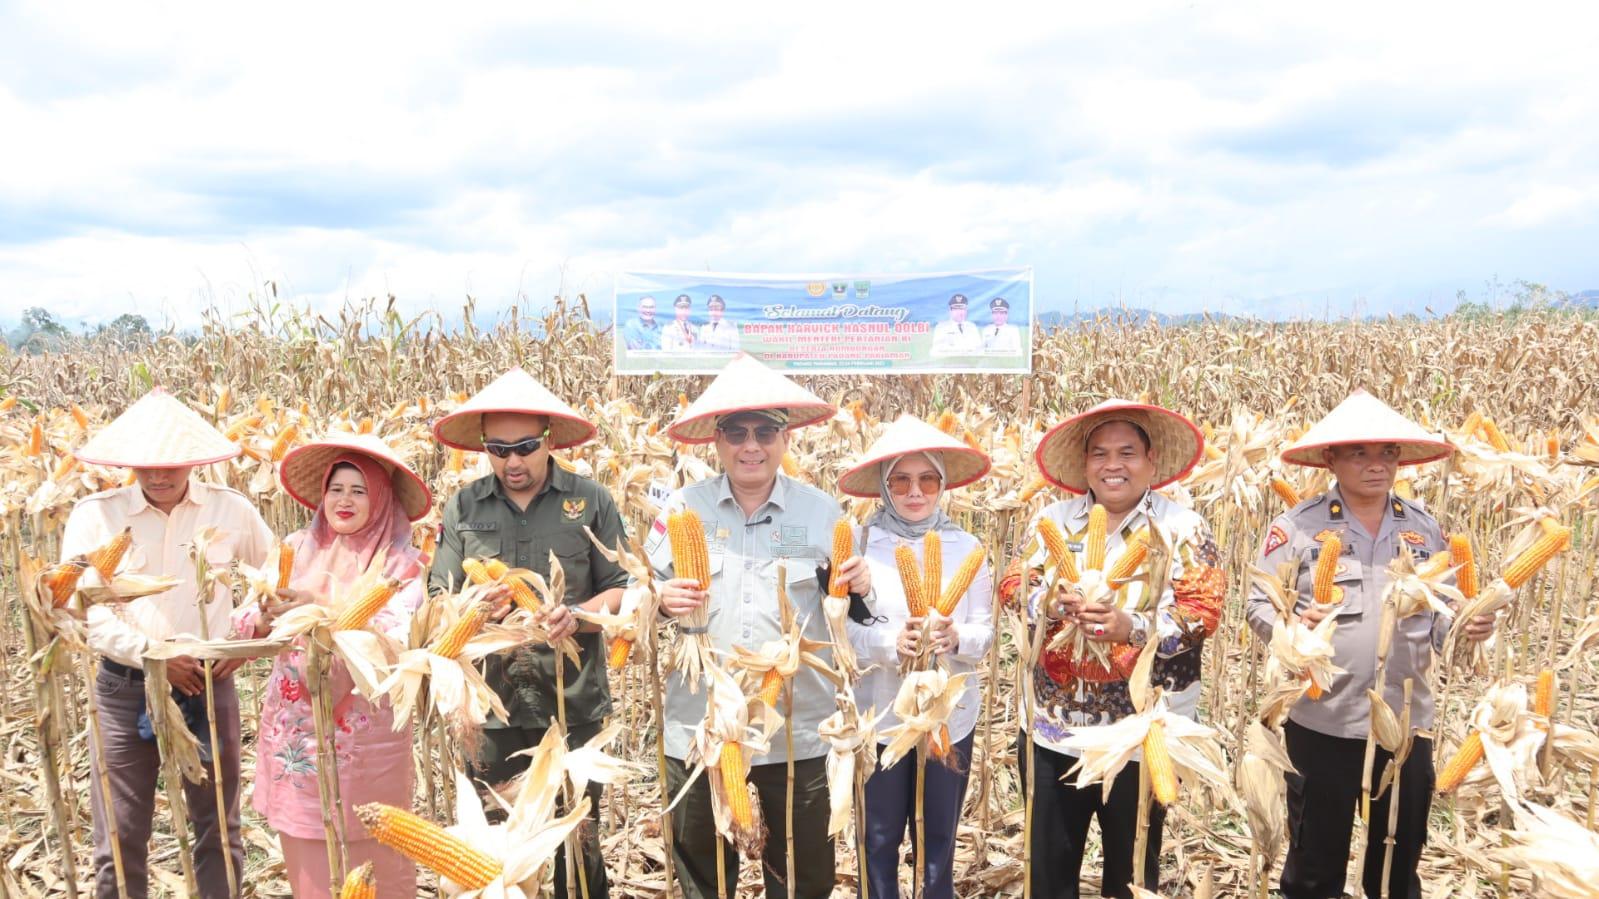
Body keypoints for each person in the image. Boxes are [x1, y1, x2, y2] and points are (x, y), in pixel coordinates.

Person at [1245, 389, 1497, 899]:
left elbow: (1440, 618)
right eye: (1359, 452)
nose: (1376, 464)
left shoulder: (1423, 529)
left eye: (1387, 452)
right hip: (1324, 720)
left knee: (1397, 866)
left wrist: (1467, 628)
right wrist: (1291, 626)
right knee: (1314, 867)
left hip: (1405, 723)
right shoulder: (1297, 527)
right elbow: (1257, 604)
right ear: (1330, 459)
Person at [646, 353, 872, 899]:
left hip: (795, 731)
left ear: (785, 438)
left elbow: (851, 613)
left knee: (802, 879)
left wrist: (862, 590)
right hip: (701, 726)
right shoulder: (681, 509)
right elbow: (639, 595)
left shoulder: (823, 514)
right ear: (717, 442)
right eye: (737, 433)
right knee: (703, 876)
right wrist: (658, 599)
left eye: (765, 432)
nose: (752, 446)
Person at [62, 389, 274, 899]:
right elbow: (81, 608)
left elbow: (272, 580)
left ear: (193, 459)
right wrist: (154, 657)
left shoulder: (230, 509)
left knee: (218, 829)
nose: (158, 475)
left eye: (170, 464)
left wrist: (243, 640)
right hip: (125, 689)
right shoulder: (96, 515)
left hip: (206, 684)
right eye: (146, 465)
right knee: (119, 836)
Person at [430, 367, 630, 898]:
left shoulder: (590, 500)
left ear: (548, 440)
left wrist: (579, 615)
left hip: (571, 703)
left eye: (524, 447)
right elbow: (438, 594)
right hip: (490, 709)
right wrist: (474, 608)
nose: (512, 462)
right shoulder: (464, 506)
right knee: (497, 854)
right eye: (498, 450)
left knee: (577, 846)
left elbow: (622, 587)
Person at [1022, 399, 1224, 899]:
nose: (1113, 465)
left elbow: (1202, 614)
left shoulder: (1184, 528)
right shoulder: (1051, 522)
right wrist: (1051, 604)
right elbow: (1014, 587)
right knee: (1048, 874)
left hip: (1141, 735)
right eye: (1100, 453)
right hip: (1056, 731)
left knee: (1131, 876)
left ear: (1151, 462)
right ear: (1084, 464)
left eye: (1127, 453)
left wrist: (1130, 627)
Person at [236, 434, 430, 898]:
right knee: (310, 855)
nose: (345, 500)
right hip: (298, 733)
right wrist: (262, 616)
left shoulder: (401, 565)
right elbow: (244, 624)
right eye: (336, 489)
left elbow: (398, 635)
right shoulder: (295, 548)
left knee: (377, 850)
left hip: (368, 740)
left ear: (380, 500)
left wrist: (320, 608)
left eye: (359, 491)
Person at [839, 415, 993, 899]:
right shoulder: (860, 543)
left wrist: (955, 637)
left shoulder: (967, 546)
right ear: (884, 487)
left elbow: (986, 633)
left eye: (927, 480)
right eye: (900, 481)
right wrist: (892, 645)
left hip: (948, 718)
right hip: (880, 715)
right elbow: (841, 630)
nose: (914, 492)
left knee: (937, 843)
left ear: (942, 484)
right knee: (877, 839)